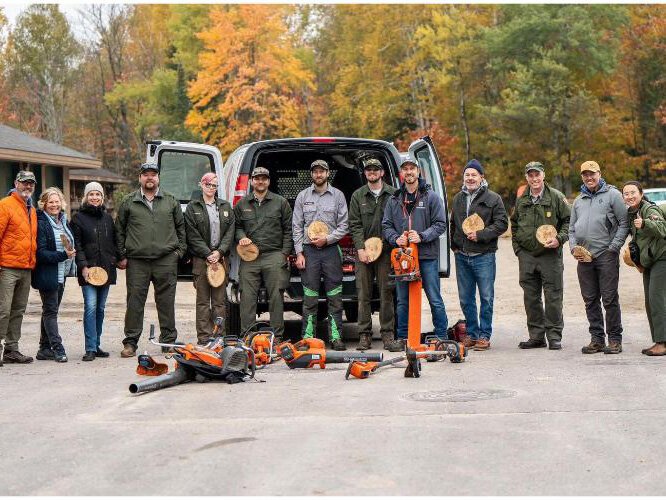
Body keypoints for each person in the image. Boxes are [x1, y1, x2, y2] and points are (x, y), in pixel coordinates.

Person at [115, 162, 187, 357]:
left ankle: (168, 342)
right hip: (137, 261)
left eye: (153, 175)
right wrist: (121, 255)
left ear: (158, 178)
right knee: (135, 303)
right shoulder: (129, 201)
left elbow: (182, 230)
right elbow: (119, 230)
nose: (149, 178)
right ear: (140, 178)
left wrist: (178, 254)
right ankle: (130, 343)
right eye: (145, 174)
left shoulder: (170, 201)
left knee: (166, 302)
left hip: (165, 260)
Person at [382, 158, 449, 347]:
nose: (409, 172)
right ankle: (403, 338)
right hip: (403, 258)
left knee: (434, 298)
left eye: (412, 168)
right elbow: (386, 225)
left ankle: (442, 336)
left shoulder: (431, 197)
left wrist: (422, 236)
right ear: (401, 174)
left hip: (426, 256)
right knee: (403, 300)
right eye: (405, 169)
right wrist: (395, 238)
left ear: (418, 172)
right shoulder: (394, 199)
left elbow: (441, 224)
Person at [569, 160, 629, 354]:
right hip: (584, 258)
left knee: (609, 299)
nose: (589, 177)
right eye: (585, 174)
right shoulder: (578, 201)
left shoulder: (613, 195)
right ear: (582, 177)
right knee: (590, 299)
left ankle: (614, 339)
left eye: (592, 174)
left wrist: (614, 247)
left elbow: (623, 222)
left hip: (606, 255)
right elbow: (571, 229)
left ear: (599, 174)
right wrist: (573, 248)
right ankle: (597, 339)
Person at [450, 159, 508, 351]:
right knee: (466, 298)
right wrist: (455, 246)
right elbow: (453, 224)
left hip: (484, 256)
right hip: (462, 256)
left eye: (474, 174)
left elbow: (502, 224)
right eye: (467, 174)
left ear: (481, 177)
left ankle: (484, 335)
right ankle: (472, 334)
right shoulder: (458, 198)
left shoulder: (493, 198)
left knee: (486, 297)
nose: (470, 178)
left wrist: (481, 235)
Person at [511, 162, 571, 350]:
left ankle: (554, 336)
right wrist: (518, 250)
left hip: (550, 255)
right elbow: (514, 225)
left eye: (537, 175)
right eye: (530, 175)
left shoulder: (556, 197)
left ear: (543, 175)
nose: (534, 179)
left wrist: (559, 240)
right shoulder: (522, 199)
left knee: (553, 296)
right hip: (527, 256)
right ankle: (536, 336)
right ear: (526, 178)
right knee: (531, 297)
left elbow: (569, 222)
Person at [293, 159, 349, 350]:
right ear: (312, 174)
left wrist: (328, 239)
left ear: (327, 174)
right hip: (309, 253)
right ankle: (308, 339)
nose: (318, 174)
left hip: (331, 250)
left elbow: (344, 226)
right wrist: (299, 252)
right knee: (310, 298)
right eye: (315, 171)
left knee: (335, 297)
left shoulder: (338, 196)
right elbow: (297, 227)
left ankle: (336, 338)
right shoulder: (302, 197)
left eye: (322, 171)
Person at [234, 167, 292, 342]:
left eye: (264, 179)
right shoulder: (242, 204)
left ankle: (277, 337)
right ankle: (248, 336)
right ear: (252, 181)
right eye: (257, 178)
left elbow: (289, 230)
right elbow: (236, 227)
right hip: (249, 257)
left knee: (276, 296)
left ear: (268, 181)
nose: (261, 181)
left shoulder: (280, 202)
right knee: (247, 297)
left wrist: (284, 254)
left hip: (273, 255)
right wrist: (242, 237)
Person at [349, 158, 399, 351]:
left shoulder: (393, 194)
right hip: (364, 253)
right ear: (365, 173)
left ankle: (387, 335)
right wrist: (360, 249)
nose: (372, 172)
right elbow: (354, 224)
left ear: (382, 173)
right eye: (368, 170)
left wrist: (392, 245)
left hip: (386, 252)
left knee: (387, 293)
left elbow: (398, 221)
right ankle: (364, 336)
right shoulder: (358, 195)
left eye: (375, 169)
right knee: (364, 294)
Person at [184, 172, 235, 344]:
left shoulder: (225, 206)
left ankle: (219, 336)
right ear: (201, 185)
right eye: (208, 185)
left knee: (220, 302)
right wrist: (207, 253)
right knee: (203, 302)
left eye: (214, 185)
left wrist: (219, 252)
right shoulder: (193, 207)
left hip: (220, 258)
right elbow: (192, 234)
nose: (211, 188)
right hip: (201, 259)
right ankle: (204, 338)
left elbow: (230, 232)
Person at [71, 182, 118, 361]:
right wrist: (83, 266)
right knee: (90, 307)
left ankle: (97, 345)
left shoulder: (107, 218)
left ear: (102, 197)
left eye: (98, 194)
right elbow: (78, 245)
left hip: (105, 270)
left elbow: (113, 242)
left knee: (100, 308)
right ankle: (90, 348)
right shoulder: (78, 218)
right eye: (91, 194)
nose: (95, 197)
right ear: (85, 197)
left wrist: (118, 259)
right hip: (88, 270)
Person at [32, 187, 77, 363]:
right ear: (44, 204)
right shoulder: (42, 222)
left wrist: (70, 253)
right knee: (51, 311)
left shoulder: (63, 221)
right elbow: (41, 253)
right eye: (50, 202)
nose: (54, 204)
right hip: (47, 274)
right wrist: (64, 255)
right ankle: (58, 348)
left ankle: (44, 348)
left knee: (50, 310)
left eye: (57, 201)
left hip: (61, 274)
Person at [622, 181, 666, 356]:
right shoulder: (630, 213)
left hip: (662, 258)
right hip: (649, 261)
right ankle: (659, 340)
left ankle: (662, 343)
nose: (630, 196)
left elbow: (663, 228)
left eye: (633, 192)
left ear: (641, 193)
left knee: (657, 299)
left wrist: (646, 223)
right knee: (650, 301)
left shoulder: (648, 209)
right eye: (626, 193)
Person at [0, 171, 38, 366]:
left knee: (18, 310)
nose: (28, 186)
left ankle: (11, 349)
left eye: (31, 183)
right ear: (16, 183)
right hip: (6, 267)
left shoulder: (31, 208)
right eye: (24, 183)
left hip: (26, 267)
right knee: (3, 310)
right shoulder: (5, 205)